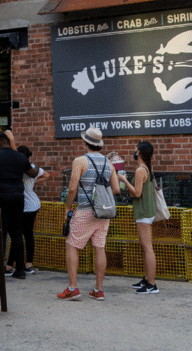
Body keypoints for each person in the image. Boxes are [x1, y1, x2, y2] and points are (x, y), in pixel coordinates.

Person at [57, 126, 120, 301]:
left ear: (85, 143)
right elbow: (115, 189)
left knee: (72, 245)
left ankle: (73, 288)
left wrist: (68, 208)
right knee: (99, 248)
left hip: (85, 210)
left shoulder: (80, 161)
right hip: (104, 213)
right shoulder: (109, 163)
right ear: (99, 144)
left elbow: (71, 189)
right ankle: (98, 290)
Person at [0, 130, 38, 281]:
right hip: (18, 198)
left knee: (1, 233)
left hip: (0, 197)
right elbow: (32, 173)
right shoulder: (20, 157)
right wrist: (37, 166)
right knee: (17, 233)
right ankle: (20, 270)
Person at [121, 140, 161, 294]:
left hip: (143, 213)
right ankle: (146, 278)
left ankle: (151, 284)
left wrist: (123, 179)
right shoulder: (147, 169)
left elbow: (137, 193)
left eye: (135, 149)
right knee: (145, 248)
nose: (134, 151)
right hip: (148, 212)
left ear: (140, 153)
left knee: (147, 248)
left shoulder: (140, 171)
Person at [7, 144, 46, 275]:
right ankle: (29, 264)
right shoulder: (33, 167)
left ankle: (8, 266)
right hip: (34, 204)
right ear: (29, 155)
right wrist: (34, 183)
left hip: (22, 205)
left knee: (16, 235)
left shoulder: (16, 167)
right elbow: (47, 175)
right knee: (28, 234)